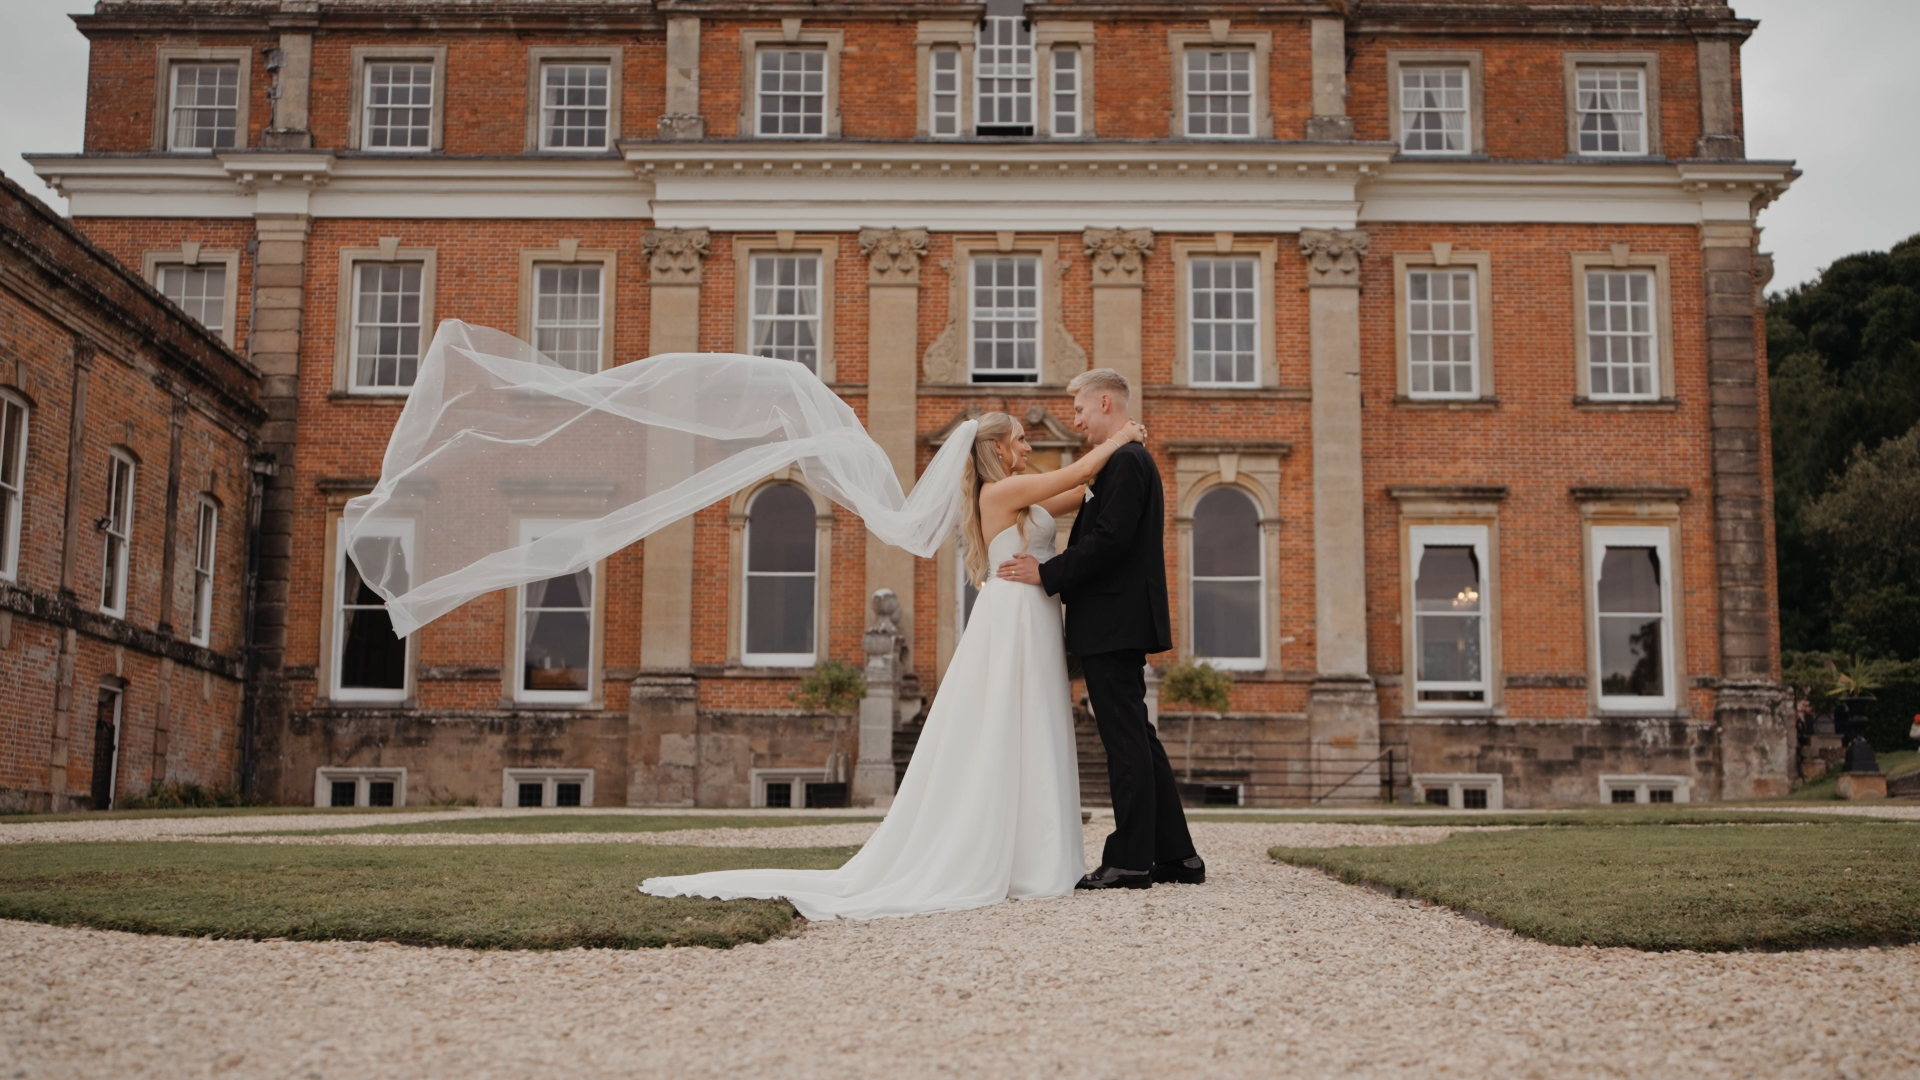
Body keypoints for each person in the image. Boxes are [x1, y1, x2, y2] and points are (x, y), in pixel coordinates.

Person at [640, 411, 1145, 919]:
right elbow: (1075, 476)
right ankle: (1017, 858)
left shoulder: (1021, 491)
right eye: (1020, 440)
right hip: (1013, 616)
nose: (1030, 447)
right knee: (1010, 722)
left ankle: (1039, 854)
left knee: (1038, 723)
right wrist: (1121, 436)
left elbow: (1080, 494)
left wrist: (1121, 466)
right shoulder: (997, 495)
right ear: (996, 449)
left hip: (1034, 614)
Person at [996, 368, 1203, 890]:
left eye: (1081, 411)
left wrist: (1046, 573)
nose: (1077, 420)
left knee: (1126, 741)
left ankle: (1131, 860)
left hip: (1114, 619)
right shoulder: (1120, 460)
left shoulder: (1128, 461)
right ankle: (1178, 857)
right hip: (1117, 619)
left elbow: (1109, 541)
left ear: (1105, 402)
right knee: (1140, 737)